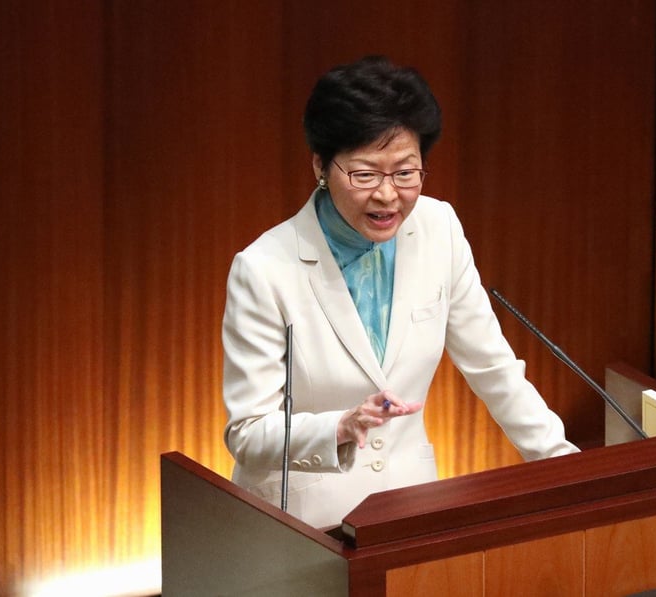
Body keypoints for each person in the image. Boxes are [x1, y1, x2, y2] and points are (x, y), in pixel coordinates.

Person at [222, 55, 579, 529]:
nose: (388, 195)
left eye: (405, 173)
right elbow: (247, 434)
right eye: (365, 174)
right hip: (305, 524)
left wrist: (565, 467)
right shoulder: (264, 269)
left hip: (410, 510)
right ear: (321, 166)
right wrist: (339, 427)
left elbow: (493, 369)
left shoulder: (439, 228)